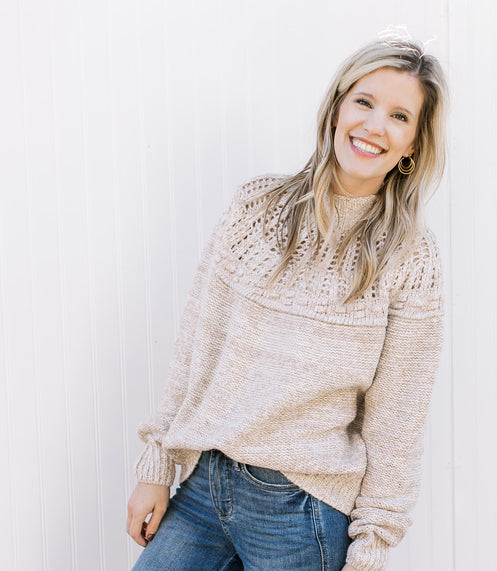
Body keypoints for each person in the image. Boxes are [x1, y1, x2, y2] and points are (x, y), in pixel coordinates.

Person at [125, 36, 448, 571]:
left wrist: (373, 546)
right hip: (205, 485)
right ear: (338, 107)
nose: (374, 126)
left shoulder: (411, 256)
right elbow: (197, 347)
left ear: (413, 143)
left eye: (399, 116)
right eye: (364, 102)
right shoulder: (257, 207)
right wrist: (156, 465)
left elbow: (398, 417)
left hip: (301, 510)